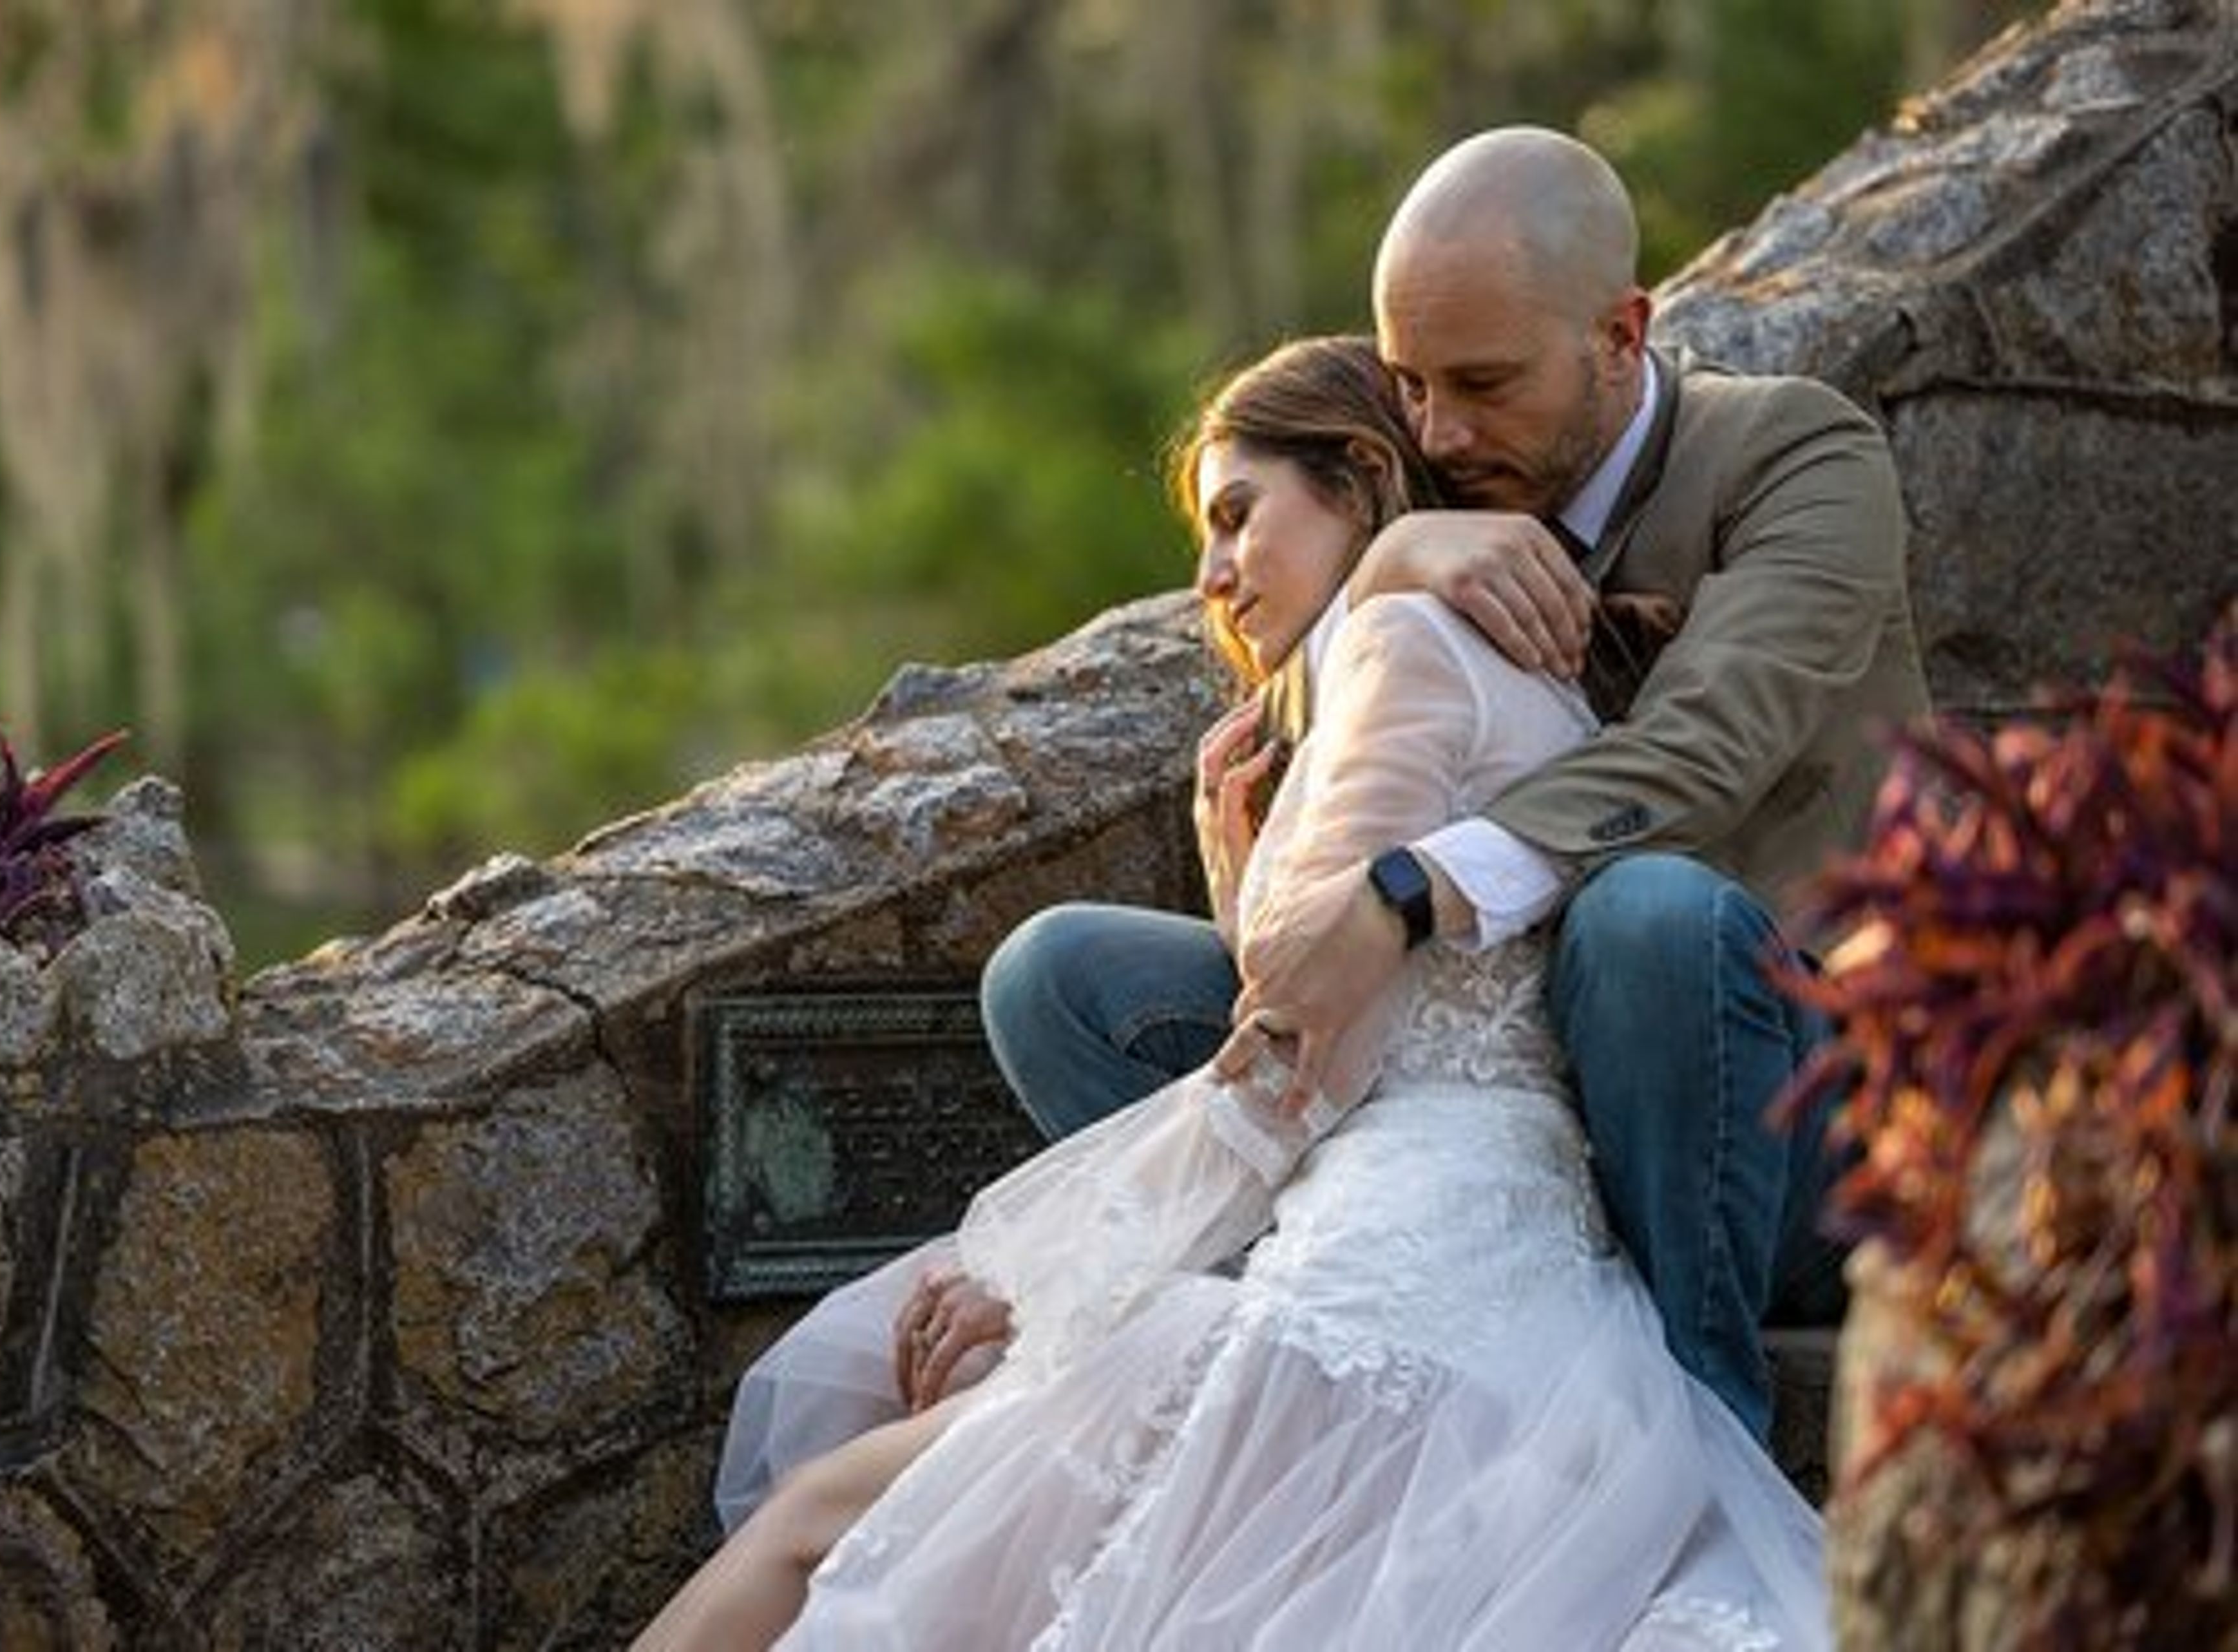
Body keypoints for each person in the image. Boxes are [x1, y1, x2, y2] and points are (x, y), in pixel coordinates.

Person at [636, 334, 1826, 1650]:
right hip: (1508, 1272)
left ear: (1364, 482)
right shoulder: (1490, 658)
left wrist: (1059, 1274)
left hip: (1379, 1274)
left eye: (1238, 517)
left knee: (826, 1523)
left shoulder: (1404, 643)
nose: (1209, 576)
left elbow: (1300, 1059)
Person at [983, 125, 1928, 1441]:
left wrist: (1399, 892)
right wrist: (1390, 563)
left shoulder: (1794, 458)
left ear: (1621, 331)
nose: (1440, 428)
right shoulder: (1447, 490)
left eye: (1481, 383)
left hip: (1775, 1110)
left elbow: (1704, 750)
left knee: (1649, 912)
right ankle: (1311, 1341)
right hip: (1509, 1114)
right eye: (1412, 388)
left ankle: (1702, 1427)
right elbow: (1318, 720)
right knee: (1062, 974)